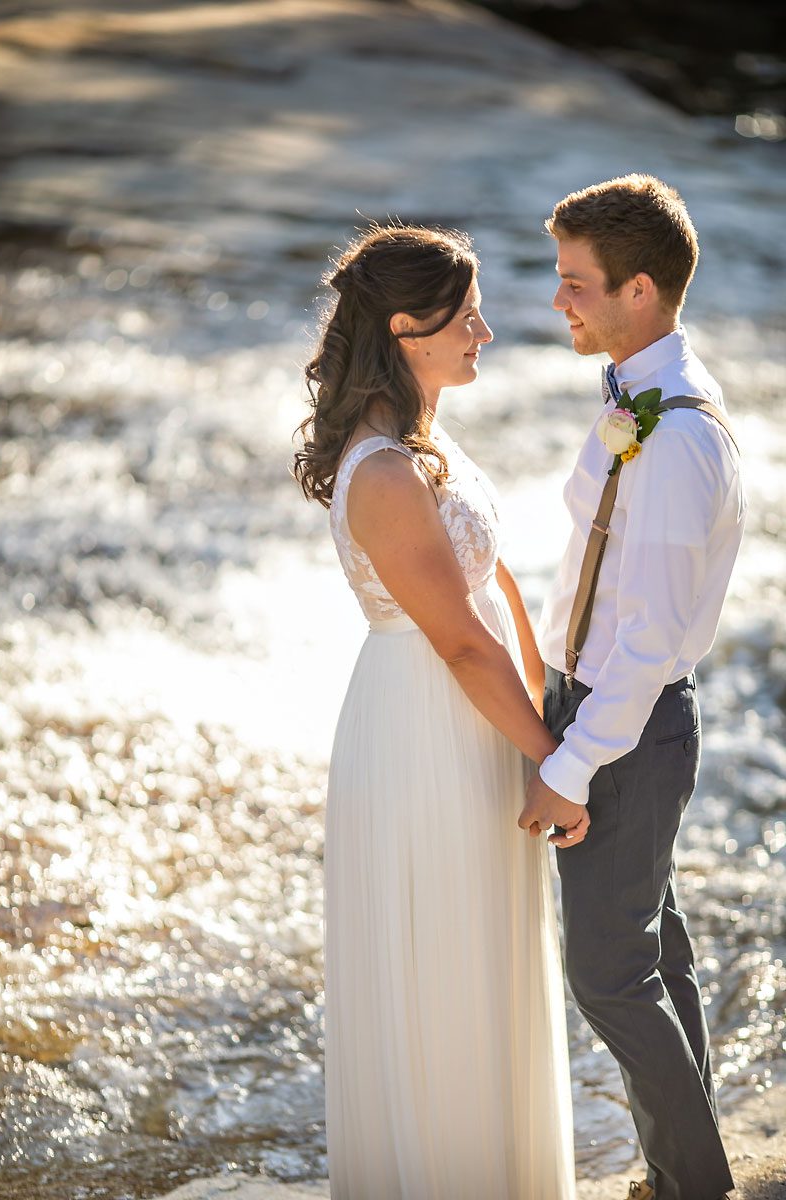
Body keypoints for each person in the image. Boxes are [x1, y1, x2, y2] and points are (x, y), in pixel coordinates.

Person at [294, 224, 579, 1199]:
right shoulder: (381, 471)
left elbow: (493, 584)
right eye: (465, 319)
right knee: (441, 973)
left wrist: (550, 715)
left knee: (488, 954)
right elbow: (459, 638)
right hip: (424, 732)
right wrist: (554, 759)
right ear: (407, 328)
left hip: (474, 715)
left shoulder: (425, 441)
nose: (485, 334)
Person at [519, 175, 745, 1200]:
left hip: (626, 721)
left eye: (575, 284)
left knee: (608, 978)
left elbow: (646, 641)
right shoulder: (629, 397)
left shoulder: (678, 436)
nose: (557, 302)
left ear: (639, 289)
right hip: (605, 708)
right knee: (654, 954)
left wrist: (569, 765)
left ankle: (692, 1186)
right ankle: (680, 1170)